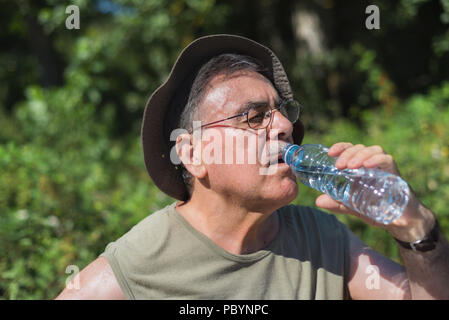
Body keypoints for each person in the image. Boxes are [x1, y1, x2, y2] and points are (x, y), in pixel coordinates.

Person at [56, 34, 449, 300]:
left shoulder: (323, 239)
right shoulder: (137, 262)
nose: (284, 126)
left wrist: (415, 228)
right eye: (254, 117)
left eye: (281, 112)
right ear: (193, 153)